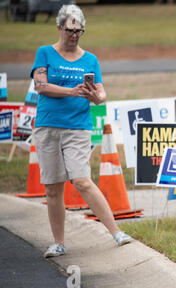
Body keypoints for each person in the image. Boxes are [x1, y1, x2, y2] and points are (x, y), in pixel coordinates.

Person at [30, 4, 132, 258]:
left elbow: (101, 90)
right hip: (48, 125)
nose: (74, 35)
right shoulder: (44, 53)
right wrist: (72, 91)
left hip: (78, 126)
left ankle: (116, 232)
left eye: (79, 31)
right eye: (70, 30)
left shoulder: (90, 59)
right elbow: (41, 86)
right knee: (53, 187)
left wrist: (97, 96)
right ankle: (58, 242)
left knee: (82, 180)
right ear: (59, 27)